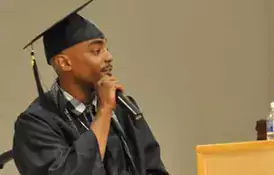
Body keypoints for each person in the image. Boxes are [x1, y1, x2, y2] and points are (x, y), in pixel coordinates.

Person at [12, 1, 169, 175]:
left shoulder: (124, 107)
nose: (109, 57)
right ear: (64, 63)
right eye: (96, 51)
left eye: (107, 49)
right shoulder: (36, 123)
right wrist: (104, 111)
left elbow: (154, 168)